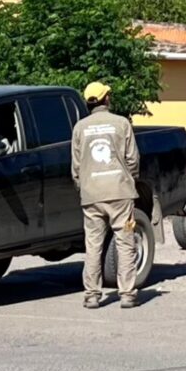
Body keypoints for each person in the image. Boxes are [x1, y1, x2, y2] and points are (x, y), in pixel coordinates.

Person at [71, 81, 141, 309]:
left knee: (93, 245)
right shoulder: (121, 124)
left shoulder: (80, 128)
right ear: (106, 99)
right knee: (125, 242)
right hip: (120, 192)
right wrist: (128, 180)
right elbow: (133, 160)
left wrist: (83, 186)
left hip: (92, 194)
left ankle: (92, 295)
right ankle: (127, 294)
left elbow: (76, 167)